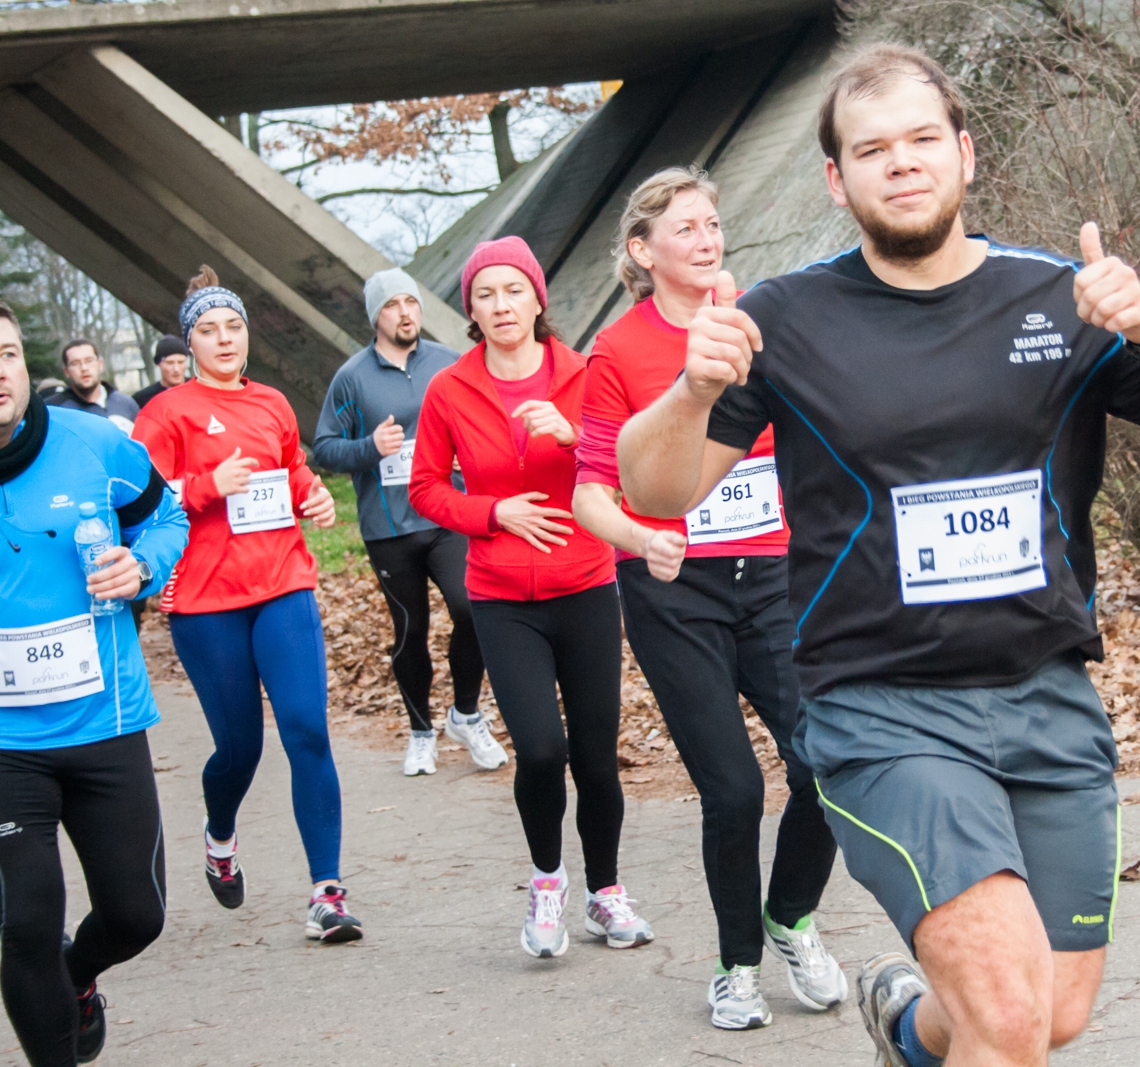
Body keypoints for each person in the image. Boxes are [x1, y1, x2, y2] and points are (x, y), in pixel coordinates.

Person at [617, 45, 1140, 1067]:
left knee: (1051, 1013)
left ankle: (905, 1029)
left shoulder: (1062, 296)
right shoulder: (780, 317)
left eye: (921, 140)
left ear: (964, 155)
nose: (900, 163)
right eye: (871, 148)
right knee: (1008, 1014)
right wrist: (692, 391)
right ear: (836, 178)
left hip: (1047, 693)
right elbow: (654, 490)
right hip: (881, 706)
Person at [573, 167, 843, 1030]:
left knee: (827, 764)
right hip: (673, 591)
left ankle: (791, 915)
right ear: (643, 251)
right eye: (684, 226)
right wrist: (640, 534)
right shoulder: (616, 351)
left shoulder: (762, 324)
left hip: (772, 581)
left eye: (713, 221)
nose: (706, 236)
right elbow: (590, 491)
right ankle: (737, 965)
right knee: (731, 789)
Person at [409, 236, 653, 958]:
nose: (501, 305)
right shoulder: (449, 389)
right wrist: (492, 513)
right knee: (542, 751)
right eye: (485, 295)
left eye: (513, 290)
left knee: (596, 757)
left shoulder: (585, 373)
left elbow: (634, 469)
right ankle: (548, 883)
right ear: (471, 311)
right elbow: (425, 487)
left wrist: (576, 435)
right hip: (503, 597)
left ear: (538, 298)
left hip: (585, 584)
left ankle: (605, 893)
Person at [133, 266, 363, 943]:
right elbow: (139, 503)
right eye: (209, 329)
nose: (225, 338)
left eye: (233, 326)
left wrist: (313, 495)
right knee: (240, 747)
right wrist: (207, 483)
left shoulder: (271, 403)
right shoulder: (165, 413)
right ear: (190, 341)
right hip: (207, 601)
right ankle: (220, 831)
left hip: (282, 584)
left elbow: (292, 469)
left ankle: (327, 892)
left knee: (307, 728)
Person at [0, 297, 188, 1066]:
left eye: (5, 352)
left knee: (137, 915)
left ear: (23, 365)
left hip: (104, 722)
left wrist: (143, 566)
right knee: (28, 924)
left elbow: (167, 517)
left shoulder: (96, 442)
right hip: (2, 745)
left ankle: (78, 976)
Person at [313, 268, 501, 777]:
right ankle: (421, 733)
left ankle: (466, 713)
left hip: (448, 515)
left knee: (473, 609)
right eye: (393, 305)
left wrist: (471, 455)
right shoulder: (352, 377)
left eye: (411, 303)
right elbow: (325, 447)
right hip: (390, 528)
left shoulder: (449, 362)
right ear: (377, 315)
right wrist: (369, 448)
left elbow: (484, 420)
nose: (405, 313)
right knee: (409, 631)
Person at [50, 340, 139, 433]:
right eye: (75, 363)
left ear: (100, 364)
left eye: (89, 361)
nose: (84, 368)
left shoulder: (126, 404)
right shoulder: (56, 410)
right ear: (66, 372)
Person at [132, 336, 190, 410]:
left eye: (181, 362)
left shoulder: (199, 390)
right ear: (158, 363)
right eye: (170, 363)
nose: (176, 369)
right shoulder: (142, 399)